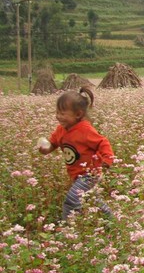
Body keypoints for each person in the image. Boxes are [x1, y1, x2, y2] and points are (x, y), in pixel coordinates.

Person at [38, 87, 114, 220]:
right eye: (57, 112)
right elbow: (53, 143)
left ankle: (67, 227)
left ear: (78, 114)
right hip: (76, 174)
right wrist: (46, 149)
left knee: (72, 199)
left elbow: (102, 142)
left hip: (90, 173)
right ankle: (111, 219)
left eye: (62, 113)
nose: (58, 116)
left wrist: (107, 160)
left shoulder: (85, 129)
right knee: (91, 198)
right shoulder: (61, 130)